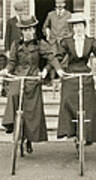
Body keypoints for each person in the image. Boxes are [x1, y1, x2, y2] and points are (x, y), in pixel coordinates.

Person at [42, 13, 96, 144]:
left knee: (88, 104)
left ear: (85, 27)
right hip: (70, 74)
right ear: (72, 28)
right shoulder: (66, 42)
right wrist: (58, 69)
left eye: (81, 25)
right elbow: (57, 57)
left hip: (85, 74)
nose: (78, 29)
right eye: (75, 26)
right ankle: (70, 130)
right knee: (67, 100)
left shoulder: (92, 42)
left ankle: (88, 134)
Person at [0, 15, 51, 153]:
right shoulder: (16, 44)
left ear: (34, 30)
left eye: (30, 29)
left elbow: (51, 59)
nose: (28, 32)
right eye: (25, 29)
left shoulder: (40, 44)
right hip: (19, 75)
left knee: (32, 110)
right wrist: (6, 70)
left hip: (34, 78)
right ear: (21, 31)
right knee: (13, 93)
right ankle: (11, 124)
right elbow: (12, 62)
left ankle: (29, 139)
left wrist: (44, 71)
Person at [43, 0, 72, 85]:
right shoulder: (51, 14)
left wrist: (67, 37)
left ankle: (62, 80)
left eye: (61, 3)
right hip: (53, 41)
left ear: (64, 4)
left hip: (63, 42)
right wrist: (47, 32)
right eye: (57, 3)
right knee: (52, 59)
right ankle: (52, 80)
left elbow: (71, 29)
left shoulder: (68, 15)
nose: (59, 5)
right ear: (55, 4)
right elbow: (45, 26)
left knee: (63, 60)